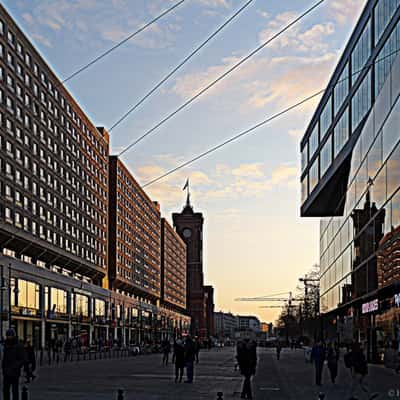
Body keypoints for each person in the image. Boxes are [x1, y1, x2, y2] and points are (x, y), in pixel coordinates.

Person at [2, 328, 27, 400]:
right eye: (7, 335)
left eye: (9, 335)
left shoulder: (18, 346)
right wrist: (3, 368)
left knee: (14, 390)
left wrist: (16, 366)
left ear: (13, 336)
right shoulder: (6, 345)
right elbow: (5, 358)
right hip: (6, 372)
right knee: (5, 390)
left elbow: (23, 359)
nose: (8, 337)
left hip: (14, 372)